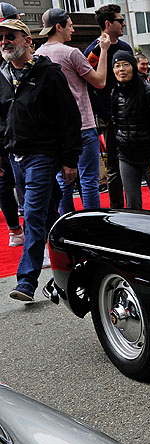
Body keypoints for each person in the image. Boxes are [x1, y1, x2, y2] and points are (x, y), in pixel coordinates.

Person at [0, 18, 82, 301]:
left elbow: (70, 119)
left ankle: (26, 281)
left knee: (32, 215)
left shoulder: (48, 74)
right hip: (15, 158)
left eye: (10, 36)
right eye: (1, 38)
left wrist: (70, 159)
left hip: (42, 156)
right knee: (50, 217)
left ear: (28, 41)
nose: (4, 42)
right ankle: (78, 264)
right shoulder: (2, 75)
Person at [35, 8, 111, 214]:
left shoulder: (37, 55)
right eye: (70, 25)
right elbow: (100, 81)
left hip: (55, 129)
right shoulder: (71, 53)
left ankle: (65, 224)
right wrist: (103, 50)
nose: (73, 30)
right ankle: (92, 227)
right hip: (83, 124)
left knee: (63, 181)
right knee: (88, 181)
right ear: (58, 27)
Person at [83, 4, 133, 208]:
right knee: (114, 166)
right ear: (107, 24)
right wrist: (105, 114)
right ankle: (118, 208)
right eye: (119, 20)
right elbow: (89, 85)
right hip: (109, 116)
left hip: (130, 113)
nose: (123, 24)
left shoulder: (125, 48)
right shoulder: (93, 51)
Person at [110, 51, 150, 210]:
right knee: (132, 204)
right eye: (117, 66)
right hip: (127, 156)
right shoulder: (115, 92)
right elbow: (116, 125)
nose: (121, 69)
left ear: (133, 68)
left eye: (125, 65)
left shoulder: (149, 91)